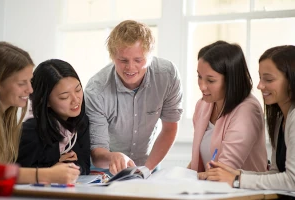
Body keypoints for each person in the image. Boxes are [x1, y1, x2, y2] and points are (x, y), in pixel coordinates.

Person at [84, 20, 183, 175]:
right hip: (106, 167)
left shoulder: (167, 76)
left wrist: (145, 170)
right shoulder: (96, 90)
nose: (130, 68)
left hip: (149, 164)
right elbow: (97, 152)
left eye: (138, 60)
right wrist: (112, 157)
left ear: (150, 56)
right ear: (112, 57)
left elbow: (170, 128)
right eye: (123, 60)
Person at [199, 45, 295, 191]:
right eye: (260, 78)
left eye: (268, 79)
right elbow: (276, 172)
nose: (259, 85)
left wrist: (237, 180)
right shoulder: (281, 117)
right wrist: (235, 173)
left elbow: (292, 181)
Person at [0, 41, 80, 184]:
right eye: (22, 83)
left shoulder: (7, 121)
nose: (30, 90)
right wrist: (44, 174)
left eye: (30, 81)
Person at [189, 41, 267, 173]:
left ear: (231, 79)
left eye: (211, 80)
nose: (202, 86)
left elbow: (227, 168)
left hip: (243, 191)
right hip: (211, 187)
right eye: (199, 77)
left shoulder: (247, 110)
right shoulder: (203, 105)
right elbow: (199, 161)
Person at [17, 59, 91, 175]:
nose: (76, 100)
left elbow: (85, 166)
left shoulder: (80, 121)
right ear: (46, 101)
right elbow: (19, 174)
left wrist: (70, 166)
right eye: (64, 97)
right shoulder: (31, 130)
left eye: (78, 90)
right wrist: (52, 169)